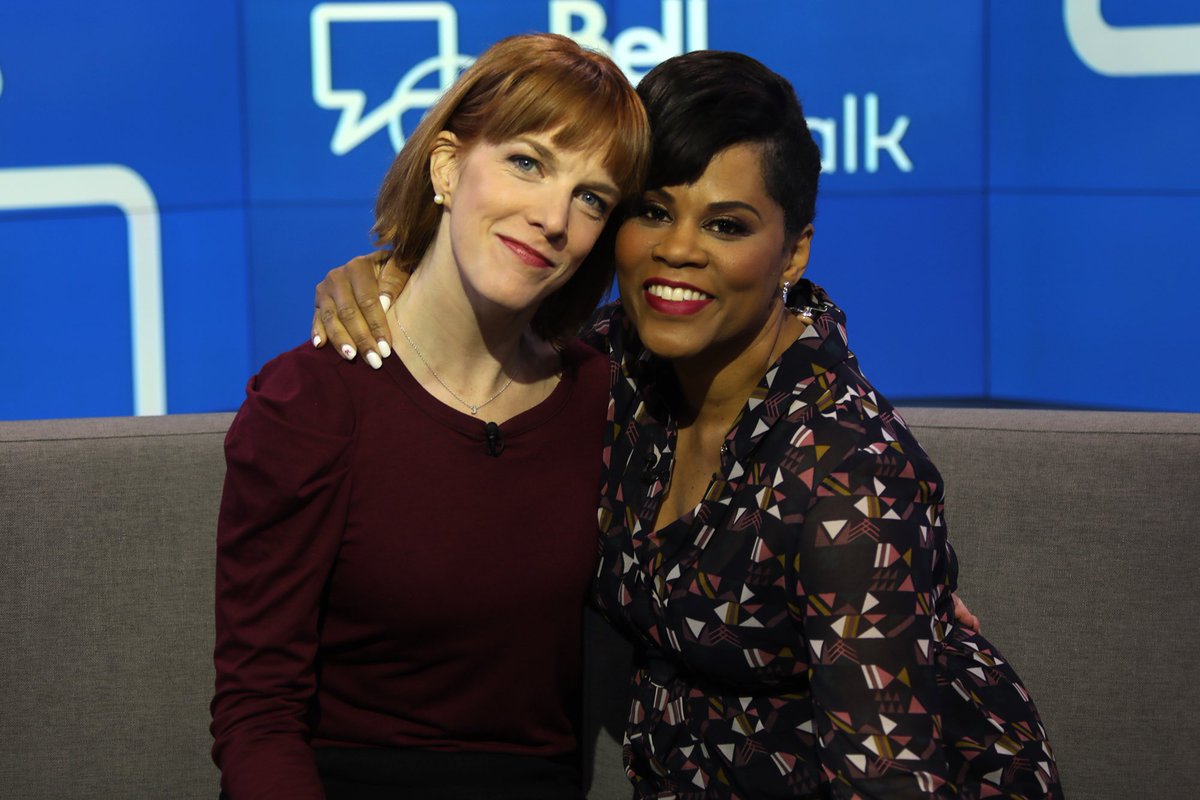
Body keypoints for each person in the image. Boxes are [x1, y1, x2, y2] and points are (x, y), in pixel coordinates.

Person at [312, 52, 1060, 799]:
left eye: (727, 225)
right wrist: (385, 276)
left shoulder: (844, 473)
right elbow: (472, 325)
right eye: (653, 210)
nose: (678, 250)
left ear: (793, 249)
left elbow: (891, 783)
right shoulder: (614, 367)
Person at [210, 33, 649, 800]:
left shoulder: (606, 401)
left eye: (591, 199)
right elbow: (258, 714)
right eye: (528, 162)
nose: (553, 217)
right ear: (448, 167)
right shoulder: (310, 402)